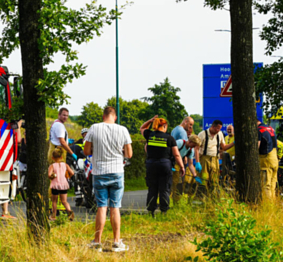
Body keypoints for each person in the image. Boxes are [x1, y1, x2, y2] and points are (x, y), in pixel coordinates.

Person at [83, 106, 133, 253]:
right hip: (117, 171)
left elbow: (86, 151)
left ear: (103, 116)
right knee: (115, 207)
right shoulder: (123, 129)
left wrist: (96, 150)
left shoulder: (94, 128)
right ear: (114, 117)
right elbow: (129, 154)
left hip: (99, 172)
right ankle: (117, 242)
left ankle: (97, 242)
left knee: (101, 207)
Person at [140, 116, 183, 217]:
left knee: (152, 188)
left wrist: (150, 121)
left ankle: (151, 211)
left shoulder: (150, 135)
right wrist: (182, 166)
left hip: (151, 165)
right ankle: (164, 211)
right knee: (164, 189)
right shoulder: (169, 138)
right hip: (165, 165)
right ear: (164, 126)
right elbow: (176, 154)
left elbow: (142, 128)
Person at [171, 116, 196, 202]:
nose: (190, 127)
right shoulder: (182, 132)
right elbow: (184, 147)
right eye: (190, 124)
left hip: (172, 161)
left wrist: (195, 174)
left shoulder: (174, 129)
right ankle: (174, 201)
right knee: (177, 183)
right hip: (176, 161)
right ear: (185, 121)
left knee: (172, 182)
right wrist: (183, 163)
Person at [197, 120, 225, 196]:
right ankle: (201, 197)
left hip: (215, 159)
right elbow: (196, 148)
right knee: (204, 178)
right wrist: (197, 162)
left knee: (214, 180)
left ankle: (213, 198)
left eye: (220, 129)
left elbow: (224, 147)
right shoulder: (202, 134)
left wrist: (234, 143)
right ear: (213, 126)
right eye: (218, 128)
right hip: (204, 159)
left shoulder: (220, 134)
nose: (219, 130)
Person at [48, 146, 75, 220]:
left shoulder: (52, 166)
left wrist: (52, 176)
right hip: (64, 184)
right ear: (61, 157)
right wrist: (68, 177)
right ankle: (69, 211)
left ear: (52, 157)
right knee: (64, 201)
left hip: (55, 185)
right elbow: (72, 172)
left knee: (54, 201)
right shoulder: (65, 165)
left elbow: (49, 175)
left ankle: (53, 215)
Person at [257, 118, 279, 199]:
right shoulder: (270, 128)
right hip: (274, 159)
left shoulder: (258, 130)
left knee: (266, 185)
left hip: (266, 160)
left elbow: (257, 146)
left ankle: (267, 205)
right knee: (273, 185)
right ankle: (272, 205)